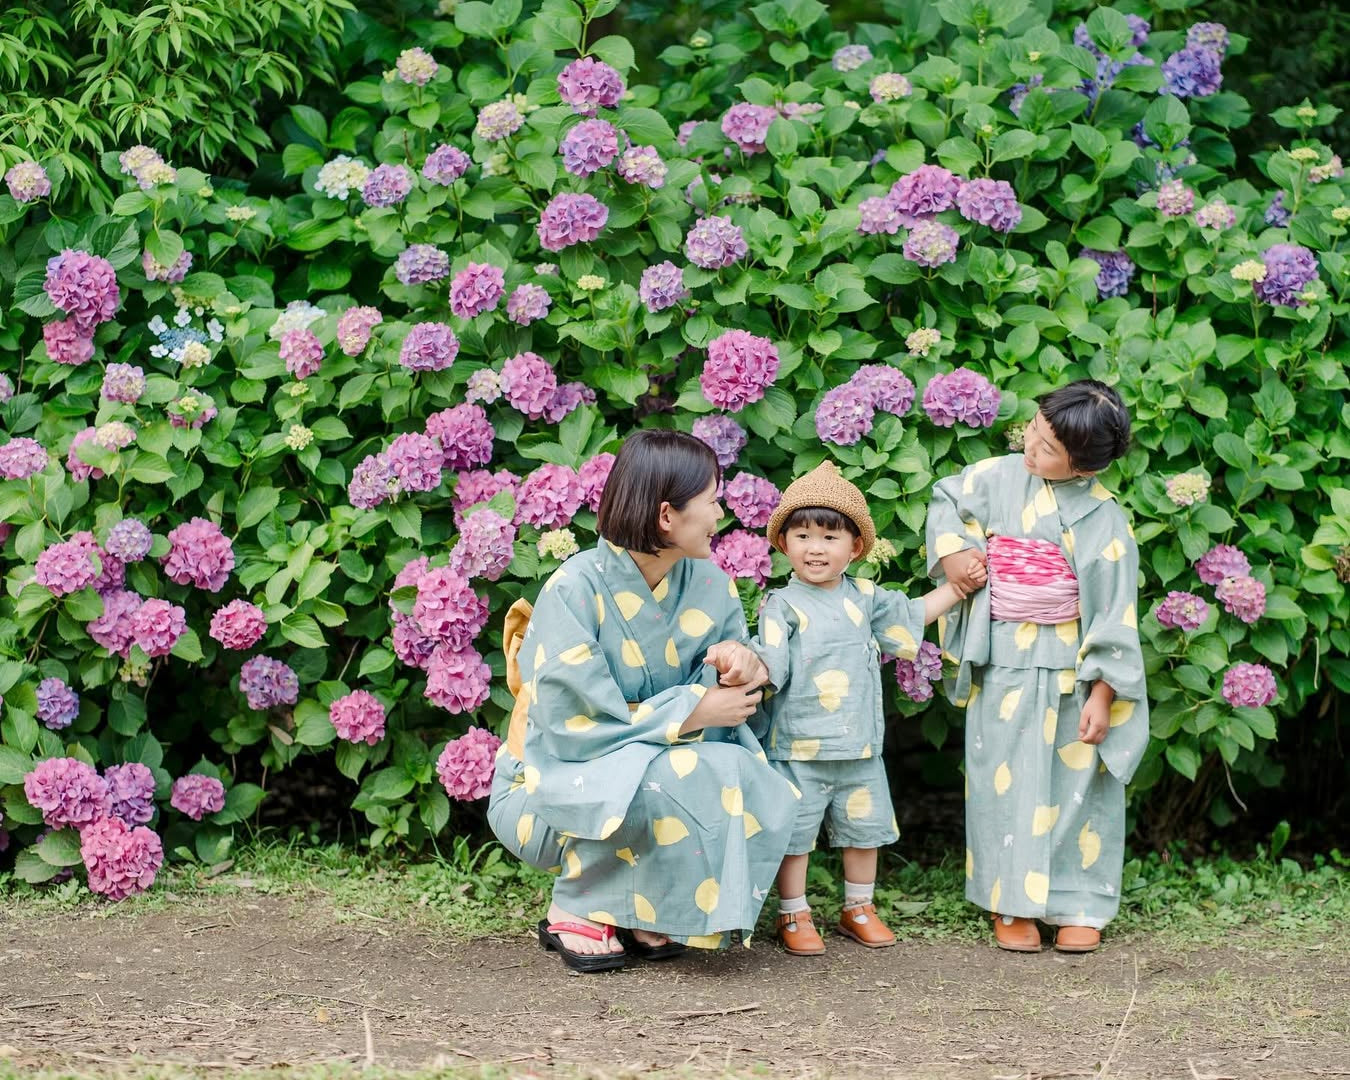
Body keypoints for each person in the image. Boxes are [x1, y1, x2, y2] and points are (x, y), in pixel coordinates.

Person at [486, 429, 798, 973]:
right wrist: (693, 712)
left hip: (653, 761)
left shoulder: (708, 582)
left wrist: (743, 661)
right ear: (666, 516)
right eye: (711, 501)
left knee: (727, 764)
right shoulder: (573, 589)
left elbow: (733, 667)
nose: (720, 513)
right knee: (678, 769)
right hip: (549, 782)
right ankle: (577, 908)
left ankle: (645, 907)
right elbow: (570, 728)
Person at [925, 379, 1147, 953]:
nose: (1032, 447)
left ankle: (1080, 902)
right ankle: (1010, 900)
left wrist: (1104, 694)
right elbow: (946, 498)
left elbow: (1115, 611)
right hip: (1004, 657)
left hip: (1073, 662)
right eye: (1036, 431)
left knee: (1080, 782)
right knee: (1005, 779)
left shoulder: (1104, 519)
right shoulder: (995, 478)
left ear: (1083, 467)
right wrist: (953, 553)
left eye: (1049, 449)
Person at [750, 462, 981, 956]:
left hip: (858, 744)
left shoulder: (868, 597)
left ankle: (859, 907)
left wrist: (958, 589)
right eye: (803, 535)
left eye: (830, 537)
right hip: (798, 747)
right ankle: (793, 912)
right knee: (796, 836)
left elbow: (910, 616)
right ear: (783, 543)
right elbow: (768, 665)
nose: (816, 547)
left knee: (865, 831)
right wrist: (741, 671)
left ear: (854, 548)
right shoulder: (780, 606)